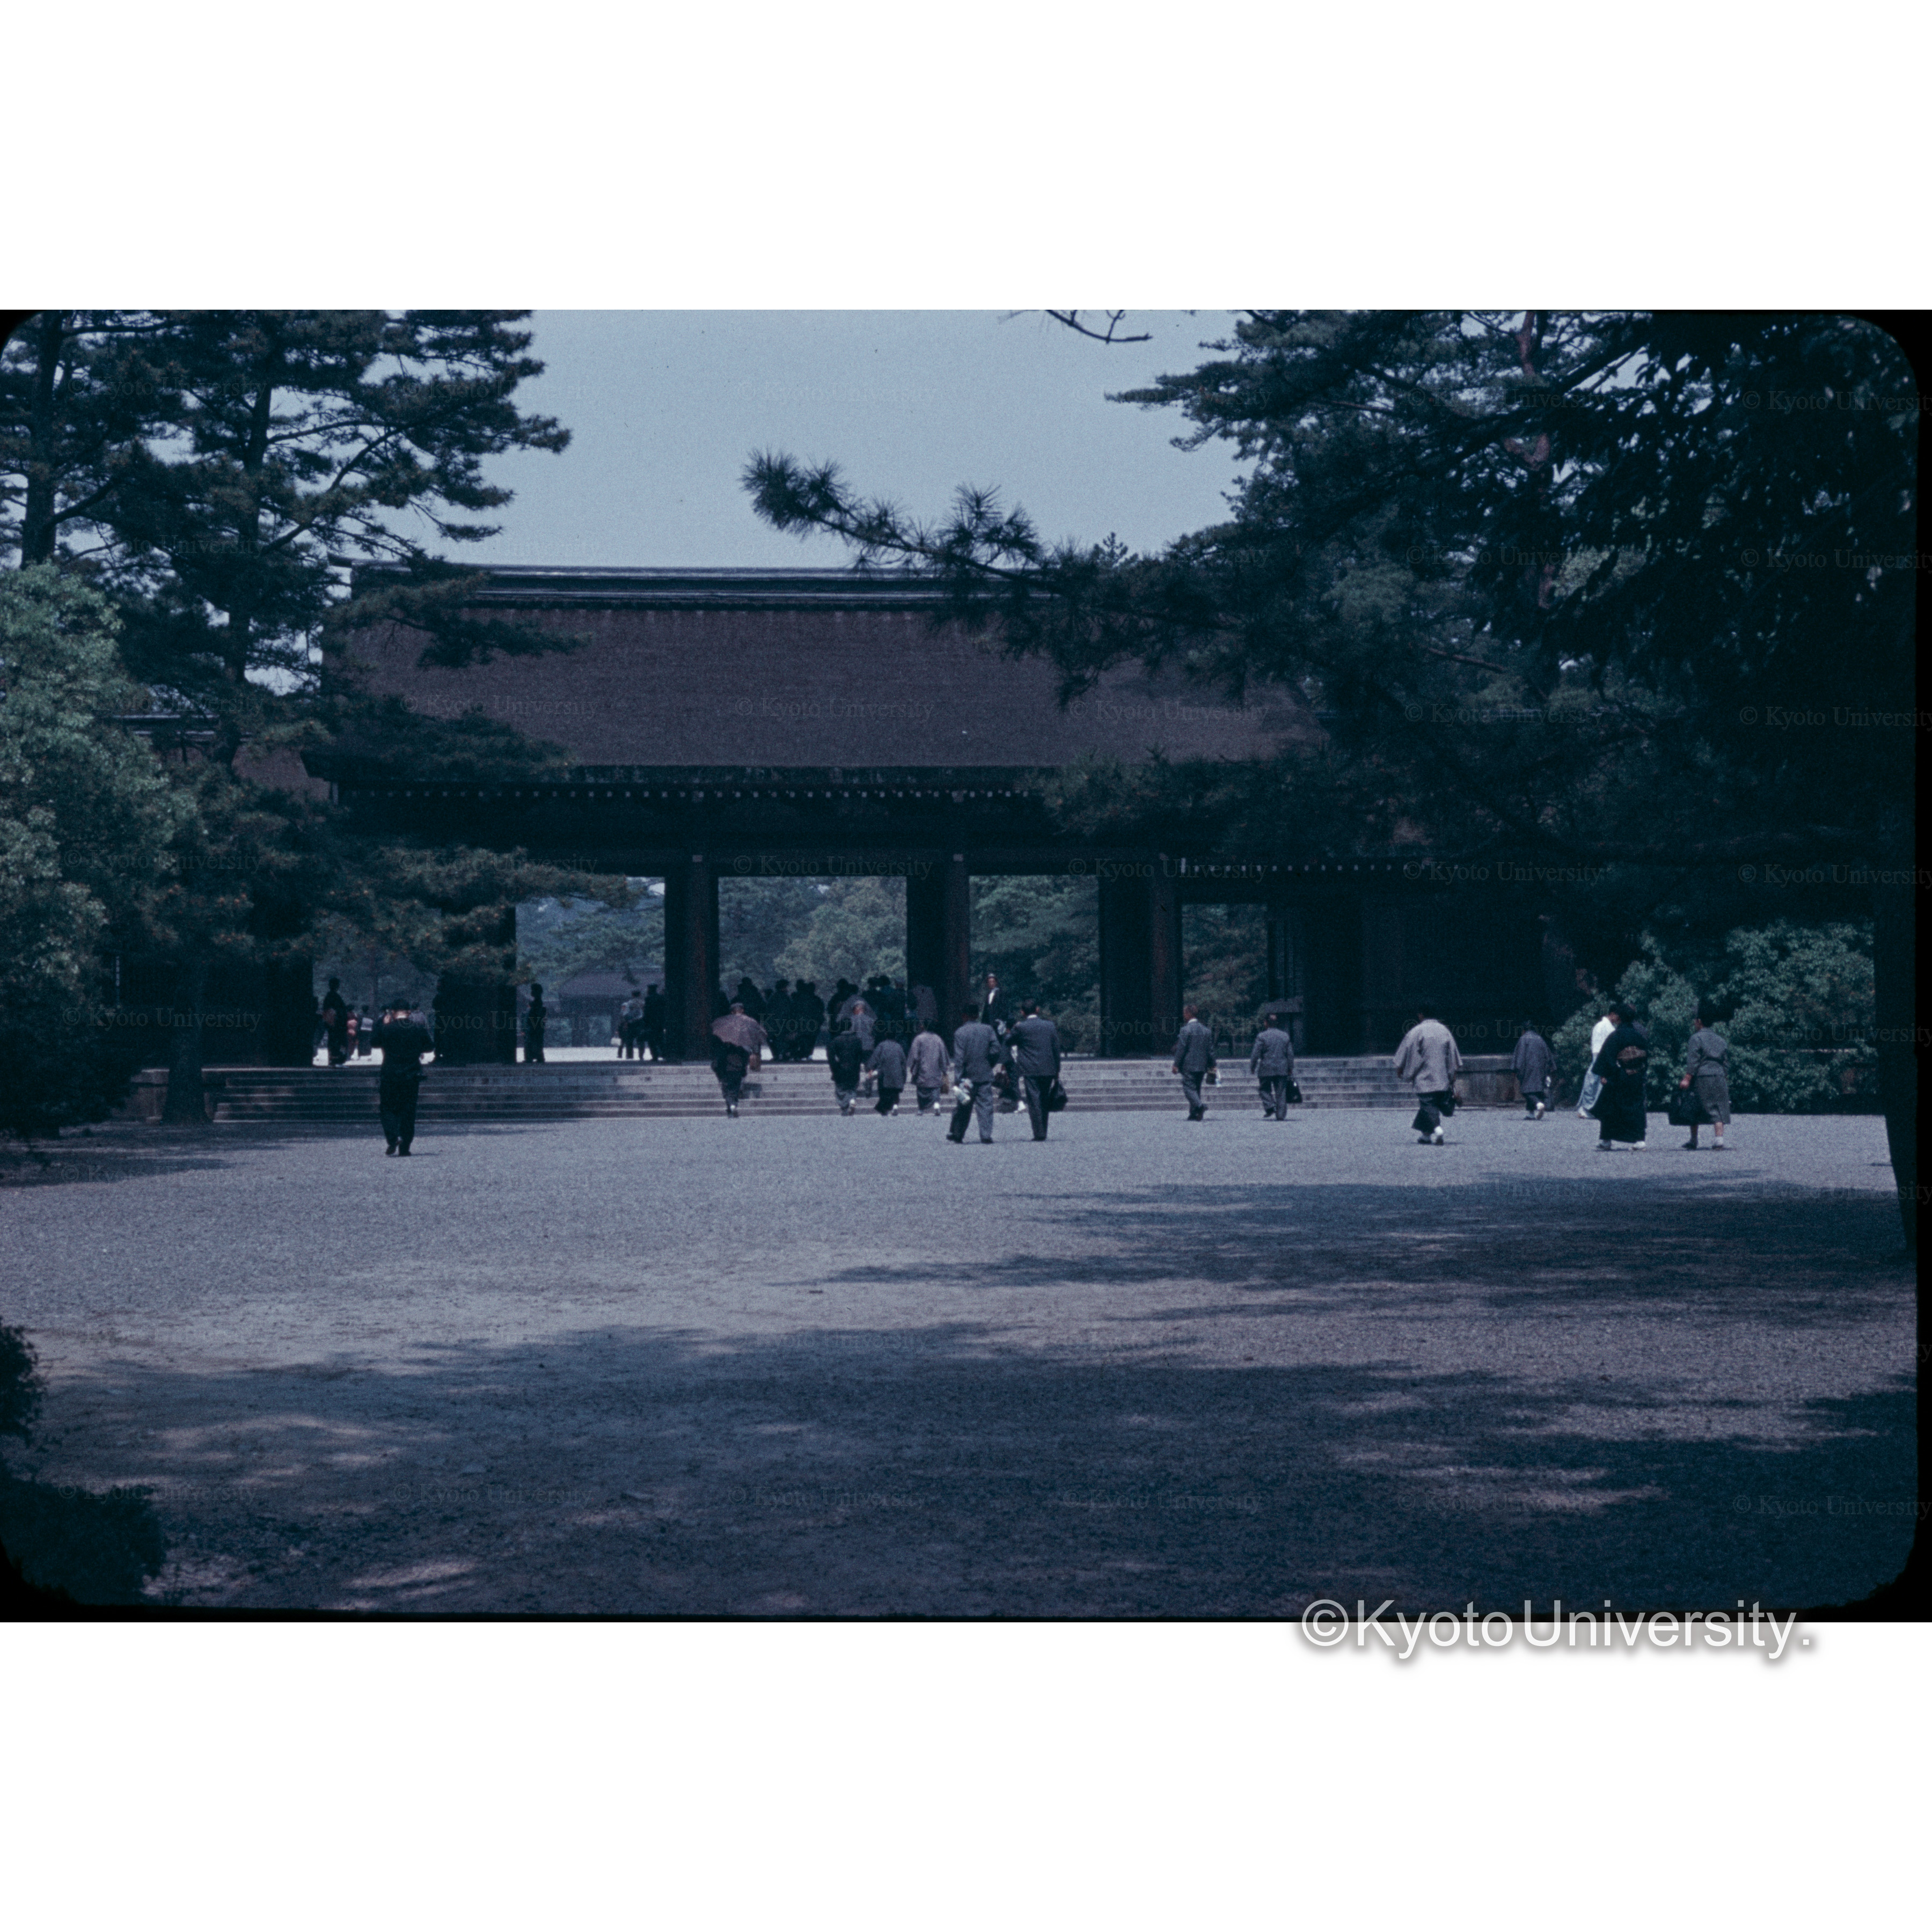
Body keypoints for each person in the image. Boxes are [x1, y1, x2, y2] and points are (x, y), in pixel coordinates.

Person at [1393, 1005, 1463, 1145]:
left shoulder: (1417, 1031)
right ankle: (1426, 1136)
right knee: (1429, 1106)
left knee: (1428, 1105)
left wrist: (1400, 1067)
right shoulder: (1445, 1031)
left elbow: (1406, 1049)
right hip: (1442, 1077)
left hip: (1424, 1077)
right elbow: (1452, 1055)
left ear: (1421, 1015)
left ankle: (1438, 1130)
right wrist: (1452, 1073)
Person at [1589, 999, 1651, 1151]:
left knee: (1609, 1107)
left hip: (1620, 1076)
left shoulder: (1616, 1036)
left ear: (1620, 1017)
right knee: (1637, 1108)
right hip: (1637, 1076)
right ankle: (1639, 1140)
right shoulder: (1639, 1036)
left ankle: (1606, 1140)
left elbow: (1608, 1058)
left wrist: (1608, 1075)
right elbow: (1646, 1056)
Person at [374, 1004, 433, 1155]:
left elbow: (374, 1042)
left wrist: (383, 1026)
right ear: (409, 1012)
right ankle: (405, 1147)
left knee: (387, 1107)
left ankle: (393, 1137)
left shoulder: (387, 1028)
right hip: (411, 1073)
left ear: (393, 1012)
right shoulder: (418, 1028)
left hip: (390, 1073)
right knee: (408, 1110)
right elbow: (429, 1047)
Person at [948, 1001, 1009, 1144]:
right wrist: (989, 1063)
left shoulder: (960, 1033)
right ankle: (986, 1135)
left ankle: (958, 1134)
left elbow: (959, 1058)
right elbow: (996, 1049)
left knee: (963, 1106)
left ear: (964, 1016)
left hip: (966, 1077)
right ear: (977, 1015)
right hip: (984, 1073)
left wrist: (958, 1078)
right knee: (986, 1107)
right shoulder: (987, 1030)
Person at [1008, 1000, 1063, 1142]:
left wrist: (1014, 1028)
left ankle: (1039, 1133)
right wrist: (1057, 1069)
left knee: (1034, 1101)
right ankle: (1043, 1130)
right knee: (1044, 1099)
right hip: (1048, 1068)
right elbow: (1056, 1049)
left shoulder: (1021, 1028)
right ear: (1037, 1010)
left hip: (1030, 1068)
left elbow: (1008, 1040)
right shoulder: (1049, 1026)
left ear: (1022, 1012)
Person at [1681, 999, 1731, 1150]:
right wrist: (1723, 1075)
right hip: (1720, 1075)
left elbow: (1693, 1061)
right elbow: (1726, 1063)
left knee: (1695, 1106)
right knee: (1719, 1106)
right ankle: (1719, 1139)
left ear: (1699, 1021)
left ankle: (1694, 1139)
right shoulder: (1721, 1040)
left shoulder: (1696, 1038)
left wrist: (1687, 1078)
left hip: (1702, 1076)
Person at [711, 1002, 766, 1118]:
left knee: (726, 1086)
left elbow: (718, 1048)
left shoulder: (725, 1023)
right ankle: (733, 1103)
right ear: (743, 1010)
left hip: (726, 1062)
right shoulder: (750, 1023)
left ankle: (731, 1104)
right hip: (740, 1060)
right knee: (735, 1084)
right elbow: (755, 1041)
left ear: (732, 1012)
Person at [1172, 1005, 1216, 1121]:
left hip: (1188, 1065)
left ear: (1188, 1014)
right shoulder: (1206, 1031)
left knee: (1188, 1088)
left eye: (1184, 1013)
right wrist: (1213, 1065)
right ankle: (1194, 1113)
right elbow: (1210, 1051)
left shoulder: (1185, 1030)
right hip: (1202, 1066)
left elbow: (1181, 1049)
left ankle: (1200, 1106)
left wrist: (1176, 1064)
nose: (1183, 1015)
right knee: (1197, 1088)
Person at [1249, 1012, 1296, 1120]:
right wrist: (1290, 1068)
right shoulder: (1285, 1036)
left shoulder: (1262, 1036)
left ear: (1266, 1023)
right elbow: (1290, 1054)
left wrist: (1253, 1066)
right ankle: (1280, 1115)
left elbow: (1256, 1053)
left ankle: (1270, 1106)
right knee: (1281, 1093)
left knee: (1264, 1090)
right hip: (1282, 1068)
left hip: (1266, 1068)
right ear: (1277, 1023)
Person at [906, 1018, 952, 1115]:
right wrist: (944, 1069)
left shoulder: (919, 1039)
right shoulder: (938, 1039)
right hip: (935, 1070)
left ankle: (921, 1109)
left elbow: (915, 1056)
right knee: (935, 1089)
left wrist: (912, 1067)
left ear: (923, 1027)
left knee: (921, 1091)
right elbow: (943, 1055)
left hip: (922, 1069)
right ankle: (936, 1105)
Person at [1576, 1004, 1614, 1117]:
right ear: (1612, 1015)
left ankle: (1592, 1108)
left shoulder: (1608, 1027)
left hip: (1602, 1056)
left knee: (1596, 1083)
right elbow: (1597, 1045)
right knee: (1593, 1081)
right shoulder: (1602, 1026)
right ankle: (1587, 1108)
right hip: (1599, 1055)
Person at [1511, 1019, 1553, 1119]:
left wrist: (1516, 1069)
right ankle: (1531, 1113)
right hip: (1541, 1069)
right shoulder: (1540, 1039)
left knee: (1527, 1090)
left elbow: (1520, 1056)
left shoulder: (1523, 1039)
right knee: (1536, 1090)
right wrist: (1548, 1071)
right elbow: (1548, 1056)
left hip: (1528, 1069)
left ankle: (1539, 1104)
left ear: (1523, 1030)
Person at [827, 1016, 866, 1115]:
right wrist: (857, 1067)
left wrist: (834, 1068)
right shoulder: (857, 1040)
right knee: (852, 1088)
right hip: (854, 1069)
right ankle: (852, 1100)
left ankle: (846, 1106)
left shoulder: (836, 1041)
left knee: (841, 1090)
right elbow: (860, 1056)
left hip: (840, 1069)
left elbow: (831, 1057)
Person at [867, 1033, 907, 1115]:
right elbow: (903, 1063)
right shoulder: (899, 1047)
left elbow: (875, 1058)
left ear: (886, 1036)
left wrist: (870, 1068)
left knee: (884, 1093)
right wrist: (904, 1076)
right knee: (895, 1093)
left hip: (884, 1074)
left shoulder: (881, 1046)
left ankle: (885, 1110)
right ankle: (895, 1106)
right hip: (897, 1074)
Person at [321, 977, 350, 1066]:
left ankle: (335, 1060)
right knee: (337, 1043)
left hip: (335, 1025)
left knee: (334, 1042)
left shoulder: (330, 996)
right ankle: (336, 1061)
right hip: (337, 1025)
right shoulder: (333, 997)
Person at [979, 972, 1011, 1037]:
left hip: (997, 1024)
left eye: (993, 982)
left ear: (996, 983)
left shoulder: (1000, 994)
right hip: (988, 1024)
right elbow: (986, 1011)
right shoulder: (988, 995)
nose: (991, 983)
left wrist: (1000, 1020)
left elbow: (1004, 1008)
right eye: (989, 982)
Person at [641, 984, 666, 1062]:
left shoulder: (648, 999)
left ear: (650, 990)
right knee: (661, 1039)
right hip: (660, 1022)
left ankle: (655, 1056)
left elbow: (647, 1012)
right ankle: (665, 1054)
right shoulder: (661, 998)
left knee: (652, 1041)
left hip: (651, 1022)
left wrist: (645, 1023)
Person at [524, 983, 548, 1064]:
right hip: (536, 1024)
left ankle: (532, 1057)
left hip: (535, 1024)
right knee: (536, 1041)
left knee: (532, 1041)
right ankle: (538, 1057)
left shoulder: (537, 1003)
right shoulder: (537, 1002)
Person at [617, 991, 643, 1059]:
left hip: (630, 1024)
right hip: (640, 1024)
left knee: (629, 1041)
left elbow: (625, 1015)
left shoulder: (628, 1004)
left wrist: (626, 1022)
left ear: (632, 995)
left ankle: (630, 1056)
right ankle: (641, 1056)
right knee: (640, 1041)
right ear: (640, 995)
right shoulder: (643, 1003)